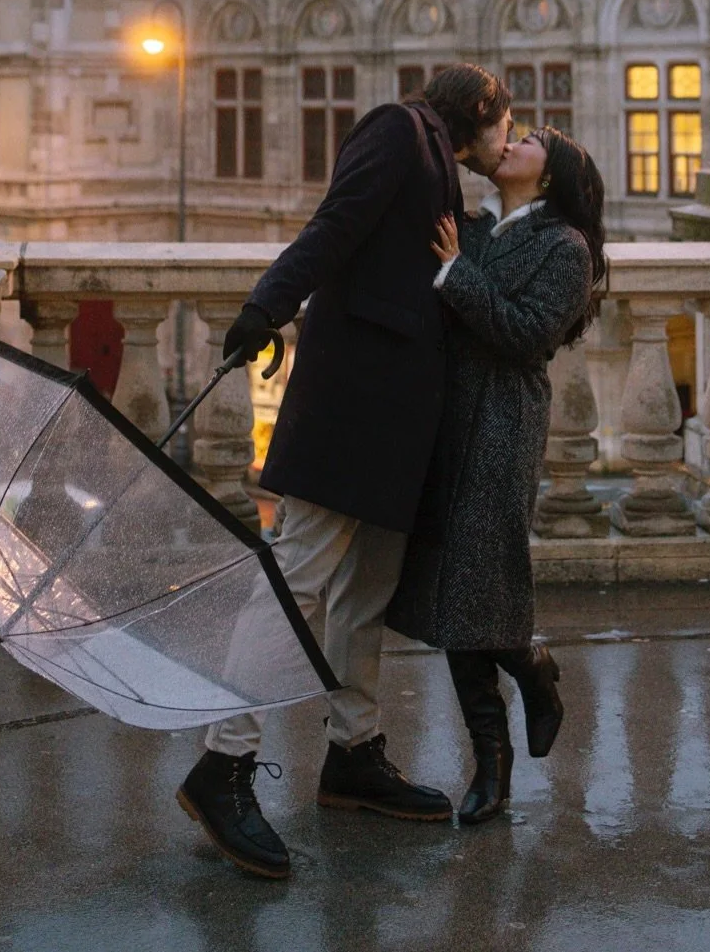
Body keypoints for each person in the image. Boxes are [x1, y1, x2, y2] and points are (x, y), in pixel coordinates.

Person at [177, 65, 513, 879]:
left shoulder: (432, 156)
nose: (506, 141)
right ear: (479, 109)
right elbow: (335, 225)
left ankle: (353, 752)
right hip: (354, 406)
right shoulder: (397, 129)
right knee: (295, 580)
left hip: (393, 419)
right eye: (506, 125)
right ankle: (223, 761)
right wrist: (267, 303)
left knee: (366, 589)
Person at [387, 126, 606, 825]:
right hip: (446, 415)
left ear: (551, 175)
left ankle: (502, 739)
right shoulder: (473, 224)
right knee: (458, 588)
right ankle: (513, 705)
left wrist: (456, 272)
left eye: (531, 140)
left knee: (476, 579)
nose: (513, 141)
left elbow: (524, 334)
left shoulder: (565, 248)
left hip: (505, 420)